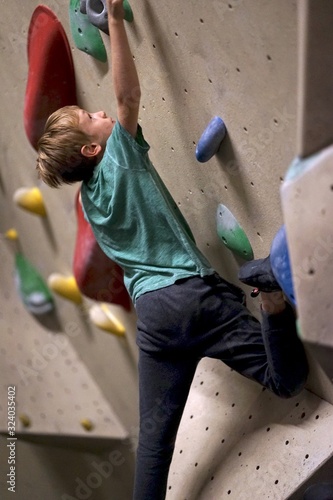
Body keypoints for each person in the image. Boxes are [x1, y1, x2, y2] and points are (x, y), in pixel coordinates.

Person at [36, 1, 309, 498]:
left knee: (156, 449)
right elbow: (127, 95)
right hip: (189, 297)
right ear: (94, 149)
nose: (99, 112)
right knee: (284, 380)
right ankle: (269, 295)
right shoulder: (118, 159)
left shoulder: (90, 200)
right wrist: (116, 21)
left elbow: (112, 111)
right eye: (89, 117)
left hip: (156, 322)